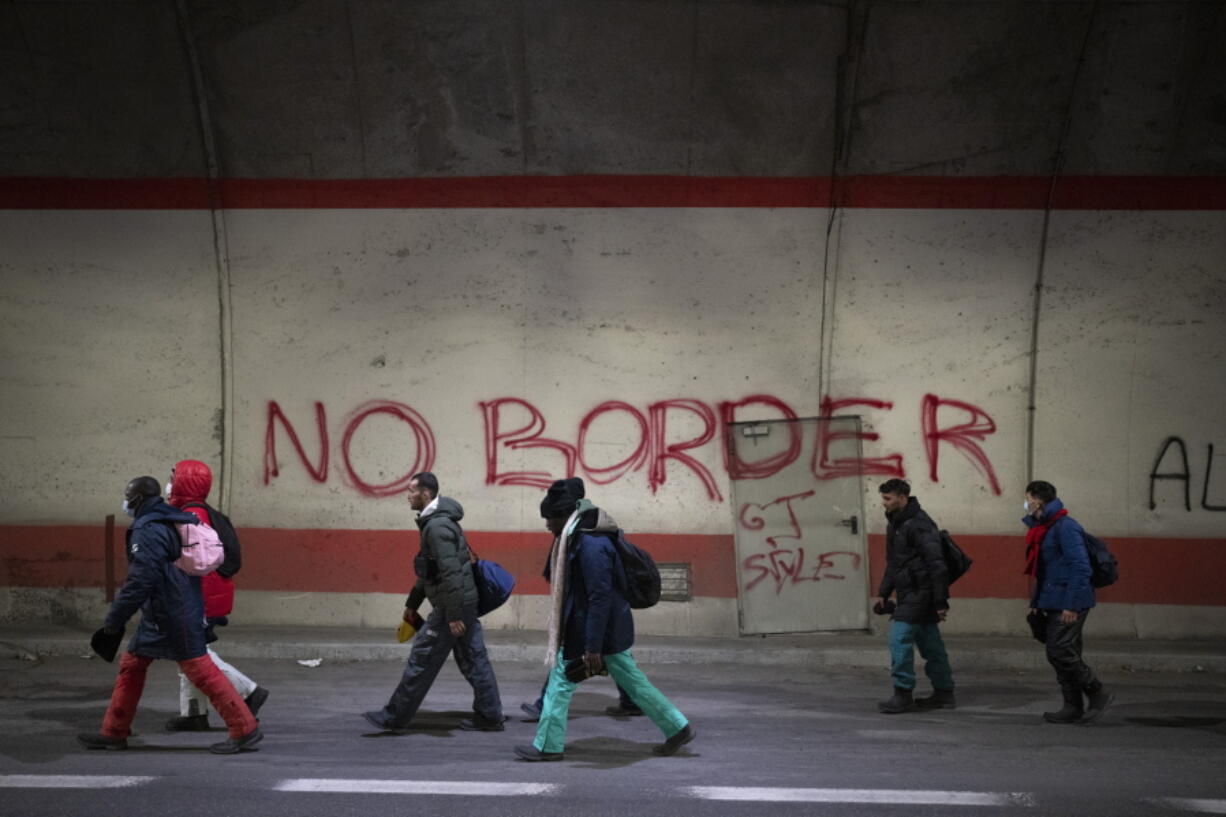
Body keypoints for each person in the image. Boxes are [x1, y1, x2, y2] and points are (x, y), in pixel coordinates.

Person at [513, 477, 693, 761]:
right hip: (602, 630)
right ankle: (677, 727)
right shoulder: (579, 536)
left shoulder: (591, 545)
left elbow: (600, 598)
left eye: (551, 519)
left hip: (595, 632)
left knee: (560, 683)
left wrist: (592, 648)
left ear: (566, 515)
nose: (547, 525)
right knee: (635, 685)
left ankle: (548, 747)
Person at [78, 477, 262, 754]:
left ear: (138, 499)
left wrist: (114, 620)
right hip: (166, 611)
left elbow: (142, 580)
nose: (125, 501)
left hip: (173, 614)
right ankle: (113, 731)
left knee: (201, 671)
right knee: (132, 665)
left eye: (128, 495)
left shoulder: (148, 528)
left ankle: (244, 728)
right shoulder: (169, 518)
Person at [363, 472, 504, 732]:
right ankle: (490, 715)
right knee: (474, 658)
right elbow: (431, 570)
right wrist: (413, 603)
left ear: (426, 493)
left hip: (452, 605)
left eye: (412, 491)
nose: (408, 495)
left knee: (423, 658)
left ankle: (394, 717)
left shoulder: (436, 527)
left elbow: (450, 574)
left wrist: (452, 616)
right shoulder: (436, 522)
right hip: (463, 602)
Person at [164, 459, 269, 731]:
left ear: (184, 483)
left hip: (199, 600)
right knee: (189, 655)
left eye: (173, 478)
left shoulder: (192, 517)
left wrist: (190, 604)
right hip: (205, 597)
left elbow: (198, 567)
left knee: (196, 656)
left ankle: (248, 692)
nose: (169, 484)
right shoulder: (199, 511)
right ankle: (194, 713)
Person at [1023, 480, 1113, 724]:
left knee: (1059, 651)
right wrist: (1036, 601)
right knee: (1063, 652)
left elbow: (1080, 567)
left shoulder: (1065, 527)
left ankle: (1096, 691)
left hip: (1070, 601)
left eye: (1027, 498)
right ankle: (1072, 706)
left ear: (1037, 501)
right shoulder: (1044, 528)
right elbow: (1044, 570)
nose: (1025, 503)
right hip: (1053, 599)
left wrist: (1072, 605)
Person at [874, 478, 955, 714]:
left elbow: (937, 565)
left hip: (921, 594)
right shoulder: (897, 524)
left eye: (888, 499)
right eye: (883, 498)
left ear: (902, 497)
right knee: (931, 646)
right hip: (910, 592)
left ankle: (903, 694)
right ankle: (944, 693)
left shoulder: (920, 525)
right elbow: (894, 563)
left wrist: (940, 601)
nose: (884, 504)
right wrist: (883, 592)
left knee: (899, 641)